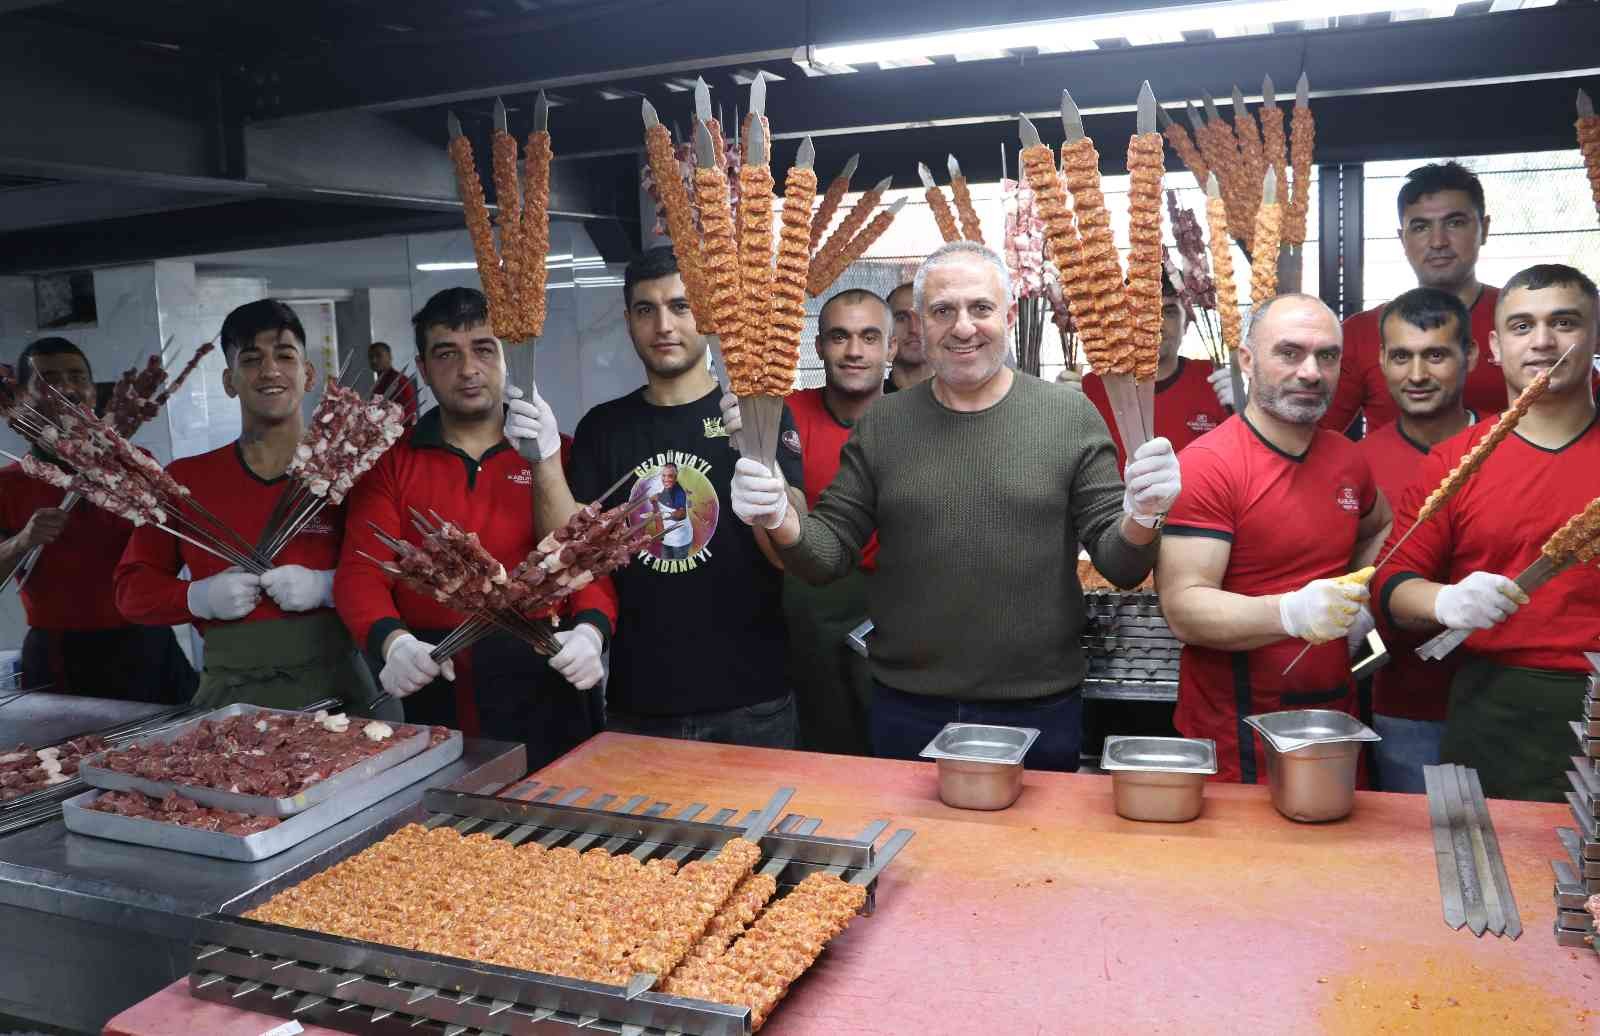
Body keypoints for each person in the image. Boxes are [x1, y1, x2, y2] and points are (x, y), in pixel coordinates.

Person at [728, 241, 1181, 771]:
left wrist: (1144, 513)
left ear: (1008, 316)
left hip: (1038, 705)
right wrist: (779, 513)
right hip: (908, 703)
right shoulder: (885, 423)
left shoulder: (1068, 415)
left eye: (980, 308)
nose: (963, 327)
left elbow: (1121, 565)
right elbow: (826, 556)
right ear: (919, 324)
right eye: (943, 310)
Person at [511, 246, 805, 748]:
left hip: (752, 701)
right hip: (640, 703)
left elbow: (790, 554)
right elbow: (569, 554)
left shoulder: (755, 414)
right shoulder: (605, 427)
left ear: (707, 316)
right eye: (647, 310)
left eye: (681, 306)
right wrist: (544, 460)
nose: (664, 325)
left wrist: (765, 471)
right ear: (628, 322)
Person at [335, 288, 613, 765]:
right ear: (422, 369)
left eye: (484, 349)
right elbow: (361, 572)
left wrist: (591, 631)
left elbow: (588, 560)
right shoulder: (392, 463)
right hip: (440, 674)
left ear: (508, 358)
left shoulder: (558, 450)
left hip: (549, 666)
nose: (468, 370)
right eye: (447, 354)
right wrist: (391, 642)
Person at [1377, 264, 1600, 803]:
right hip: (1497, 707)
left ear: (1595, 336)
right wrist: (1447, 599)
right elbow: (1390, 584)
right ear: (1497, 346)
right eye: (1522, 326)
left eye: (1564, 322)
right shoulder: (1456, 461)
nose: (1544, 342)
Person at [1157, 294, 1393, 784]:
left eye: (1327, 356)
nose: (1311, 371)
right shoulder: (1209, 465)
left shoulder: (1348, 460)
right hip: (1236, 735)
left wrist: (1360, 595)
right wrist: (1291, 613)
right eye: (1289, 353)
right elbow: (1184, 608)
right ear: (1247, 360)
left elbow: (1381, 527)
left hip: (1331, 717)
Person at [115, 301, 377, 709]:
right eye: (251, 360)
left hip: (343, 693)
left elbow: (398, 574)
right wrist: (196, 597)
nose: (270, 371)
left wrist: (328, 587)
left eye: (285, 356)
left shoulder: (351, 473)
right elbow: (131, 592)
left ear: (308, 375)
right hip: (231, 700)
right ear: (228, 381)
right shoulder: (185, 481)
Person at [0, 337, 196, 703]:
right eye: (48, 381)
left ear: (93, 392)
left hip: (145, 642)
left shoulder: (138, 463)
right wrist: (23, 539)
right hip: (58, 652)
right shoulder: (8, 484)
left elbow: (177, 550)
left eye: (77, 377)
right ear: (24, 398)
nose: (67, 389)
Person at [1357, 288, 1480, 792]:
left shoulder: (1506, 448)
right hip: (1401, 707)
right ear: (1382, 360)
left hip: (1503, 696)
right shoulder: (1355, 463)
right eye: (1402, 356)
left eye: (1436, 355)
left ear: (1470, 355)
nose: (1417, 375)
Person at [771, 287, 894, 755]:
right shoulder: (787, 414)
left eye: (869, 337)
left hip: (898, 603)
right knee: (825, 745)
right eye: (839, 337)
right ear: (819, 346)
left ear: (892, 347)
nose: (855, 351)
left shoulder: (919, 419)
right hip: (811, 604)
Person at [1321, 162, 1503, 435]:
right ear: (1402, 238)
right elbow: (1311, 438)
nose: (1438, 241)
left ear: (1484, 229)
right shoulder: (1361, 333)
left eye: (1455, 223)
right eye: (1420, 227)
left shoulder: (1524, 321)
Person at [1082, 270, 1233, 466]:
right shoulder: (1092, 388)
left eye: (1169, 312)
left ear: (1186, 324)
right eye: (1144, 311)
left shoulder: (1214, 382)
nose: (1155, 324)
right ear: (1124, 321)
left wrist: (1246, 412)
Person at [884, 282, 930, 393]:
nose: (913, 329)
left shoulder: (965, 400)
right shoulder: (867, 402)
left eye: (922, 316)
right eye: (901, 318)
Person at [369, 340, 418, 426]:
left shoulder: (398, 380)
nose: (374, 360)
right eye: (370, 357)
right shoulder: (380, 382)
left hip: (401, 433)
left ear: (390, 357)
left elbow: (407, 414)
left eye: (378, 355)